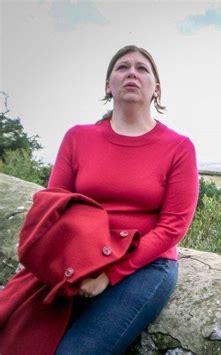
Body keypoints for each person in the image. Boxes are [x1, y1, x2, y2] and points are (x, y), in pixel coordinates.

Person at [49, 45, 199, 353]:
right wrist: (61, 262)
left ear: (156, 89)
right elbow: (54, 205)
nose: (132, 72)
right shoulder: (77, 138)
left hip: (146, 266)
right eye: (123, 67)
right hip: (80, 260)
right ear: (108, 85)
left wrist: (109, 274)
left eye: (142, 69)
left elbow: (173, 227)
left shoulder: (179, 147)